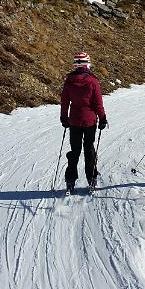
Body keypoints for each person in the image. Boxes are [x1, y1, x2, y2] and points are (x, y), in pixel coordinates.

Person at [60, 52, 107, 193]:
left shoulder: (69, 80)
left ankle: (70, 180)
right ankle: (91, 178)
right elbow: (98, 103)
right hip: (89, 121)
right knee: (89, 149)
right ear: (87, 63)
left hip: (74, 120)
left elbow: (64, 101)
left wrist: (64, 117)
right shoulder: (93, 81)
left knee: (75, 151)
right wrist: (102, 118)